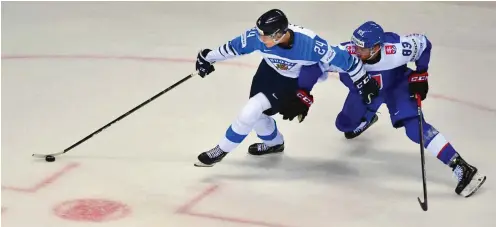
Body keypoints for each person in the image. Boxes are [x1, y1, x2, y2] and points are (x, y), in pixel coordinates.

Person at [315, 21, 485, 197]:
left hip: (397, 88)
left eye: (362, 48)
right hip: (364, 91)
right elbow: (315, 64)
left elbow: (423, 44)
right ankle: (369, 115)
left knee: (414, 128)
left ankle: (460, 166)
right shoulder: (344, 54)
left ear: (376, 48)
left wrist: (421, 73)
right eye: (355, 45)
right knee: (344, 125)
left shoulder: (396, 50)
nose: (356, 51)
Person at [193, 9, 380, 167]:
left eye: (264, 36)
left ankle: (220, 150)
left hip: (289, 82)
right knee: (258, 115)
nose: (259, 39)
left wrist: (363, 82)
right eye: (259, 33)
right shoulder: (257, 37)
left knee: (250, 110)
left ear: (280, 34)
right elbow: (232, 48)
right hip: (267, 73)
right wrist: (208, 57)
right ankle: (274, 143)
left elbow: (348, 61)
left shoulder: (312, 45)